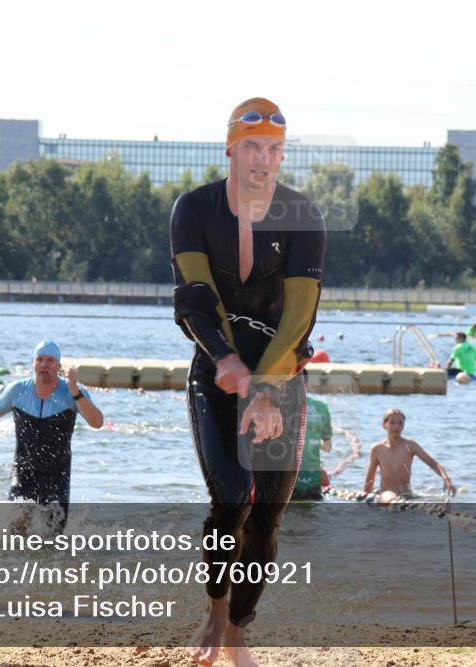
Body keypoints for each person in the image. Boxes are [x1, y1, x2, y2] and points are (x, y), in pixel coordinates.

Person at [170, 97, 325, 667]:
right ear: (230, 149)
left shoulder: (302, 216)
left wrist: (264, 385)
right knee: (232, 497)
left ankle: (238, 630)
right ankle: (214, 608)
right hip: (215, 373)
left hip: (280, 374)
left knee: (266, 516)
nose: (264, 160)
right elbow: (195, 298)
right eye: (253, 148)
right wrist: (227, 363)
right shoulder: (194, 209)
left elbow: (300, 312)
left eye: (275, 150)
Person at [0, 340, 103, 534]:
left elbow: (97, 422)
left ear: (59, 366)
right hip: (23, 472)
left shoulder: (73, 393)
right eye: (40, 359)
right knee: (15, 527)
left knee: (52, 538)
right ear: (33, 364)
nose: (44, 364)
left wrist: (75, 392)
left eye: (50, 360)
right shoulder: (17, 390)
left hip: (58, 475)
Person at [364, 409, 456, 503]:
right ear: (384, 425)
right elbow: (370, 478)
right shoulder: (377, 449)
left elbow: (433, 464)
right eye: (392, 423)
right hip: (386, 494)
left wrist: (447, 481)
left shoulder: (410, 446)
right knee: (390, 498)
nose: (397, 426)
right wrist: (365, 496)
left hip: (407, 495)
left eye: (400, 423)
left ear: (403, 426)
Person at [291, 395, 333, 501]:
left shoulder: (281, 405)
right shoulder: (321, 407)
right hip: (313, 483)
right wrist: (314, 442)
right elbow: (328, 448)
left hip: (289, 484)